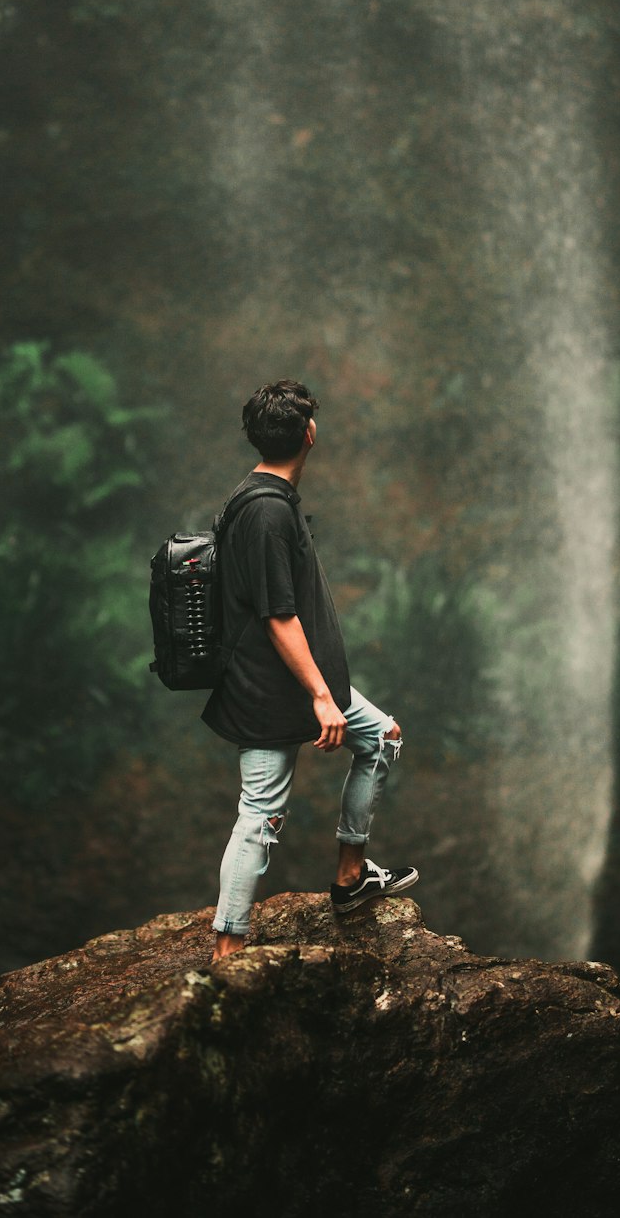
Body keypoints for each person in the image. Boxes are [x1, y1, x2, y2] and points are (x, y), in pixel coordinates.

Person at [201, 379, 419, 961]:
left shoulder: (254, 496)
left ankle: (351, 878)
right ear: (309, 434)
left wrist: (325, 690)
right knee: (260, 815)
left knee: (382, 737)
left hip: (298, 682)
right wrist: (322, 697)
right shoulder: (268, 511)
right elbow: (278, 617)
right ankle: (228, 948)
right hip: (277, 690)